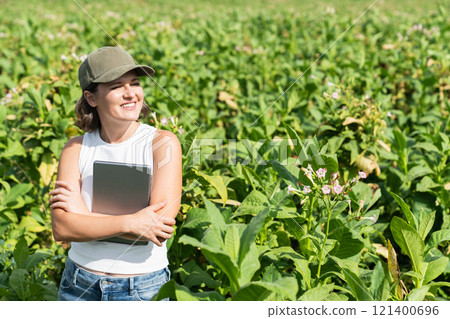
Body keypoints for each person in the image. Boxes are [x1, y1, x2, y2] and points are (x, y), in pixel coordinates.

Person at [49, 46, 182, 301]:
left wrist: (83, 216)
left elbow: (158, 226)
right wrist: (130, 222)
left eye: (134, 83)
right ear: (91, 98)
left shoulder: (162, 144)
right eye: (116, 86)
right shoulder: (75, 148)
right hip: (79, 283)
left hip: (142, 288)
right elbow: (62, 228)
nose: (130, 93)